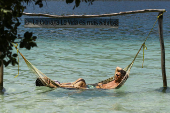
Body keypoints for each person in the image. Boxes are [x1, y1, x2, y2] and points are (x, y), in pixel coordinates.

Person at [35, 67, 126, 89]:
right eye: (115, 74)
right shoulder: (115, 79)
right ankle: (58, 84)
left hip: (93, 90)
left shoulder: (116, 84)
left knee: (81, 80)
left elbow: (126, 76)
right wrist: (120, 71)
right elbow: (117, 68)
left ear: (121, 78)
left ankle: (57, 86)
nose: (115, 75)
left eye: (117, 75)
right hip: (93, 86)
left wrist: (123, 74)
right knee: (77, 81)